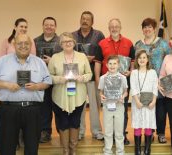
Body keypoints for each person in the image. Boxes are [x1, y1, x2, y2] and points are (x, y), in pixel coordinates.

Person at [0, 34, 51, 155]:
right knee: (6, 147)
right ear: (14, 45)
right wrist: (7, 85)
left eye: (26, 43)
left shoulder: (39, 62)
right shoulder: (3, 61)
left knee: (32, 148)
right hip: (8, 109)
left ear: (30, 45)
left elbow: (47, 82)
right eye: (20, 43)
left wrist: (37, 86)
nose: (23, 46)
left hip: (33, 110)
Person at [48, 32, 92, 155]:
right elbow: (48, 76)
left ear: (74, 43)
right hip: (60, 96)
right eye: (64, 41)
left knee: (75, 122)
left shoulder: (82, 56)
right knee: (63, 123)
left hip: (78, 95)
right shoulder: (55, 58)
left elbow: (89, 74)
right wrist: (58, 79)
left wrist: (82, 78)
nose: (67, 43)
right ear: (61, 44)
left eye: (70, 41)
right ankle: (65, 151)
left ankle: (73, 150)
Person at [95, 18, 135, 145]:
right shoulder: (101, 43)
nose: (114, 28)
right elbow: (97, 64)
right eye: (111, 26)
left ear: (120, 27)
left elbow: (133, 62)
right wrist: (97, 82)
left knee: (122, 109)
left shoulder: (128, 43)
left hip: (122, 83)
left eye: (116, 26)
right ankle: (109, 137)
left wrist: (131, 72)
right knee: (108, 111)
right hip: (107, 84)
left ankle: (122, 135)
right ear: (109, 28)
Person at [134, 18, 171, 143]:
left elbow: (169, 61)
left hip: (160, 82)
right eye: (145, 27)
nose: (147, 29)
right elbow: (135, 63)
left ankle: (161, 132)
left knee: (160, 109)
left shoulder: (163, 43)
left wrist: (165, 79)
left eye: (150, 27)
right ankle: (150, 132)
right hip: (143, 82)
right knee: (146, 108)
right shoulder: (138, 45)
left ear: (154, 29)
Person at [72, 11, 105, 140]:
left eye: (88, 19)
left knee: (95, 106)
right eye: (83, 18)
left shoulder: (99, 35)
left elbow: (102, 53)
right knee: (78, 105)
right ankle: (79, 131)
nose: (85, 21)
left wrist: (94, 58)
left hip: (93, 76)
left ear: (92, 22)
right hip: (77, 77)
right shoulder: (73, 35)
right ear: (80, 20)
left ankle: (96, 131)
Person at [34, 16, 62, 143]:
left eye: (52, 25)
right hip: (41, 79)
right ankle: (45, 131)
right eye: (47, 24)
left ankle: (62, 131)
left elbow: (65, 59)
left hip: (57, 78)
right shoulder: (35, 41)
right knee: (44, 107)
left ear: (55, 27)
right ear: (43, 26)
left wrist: (52, 61)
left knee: (59, 106)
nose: (49, 27)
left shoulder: (61, 41)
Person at [98, 55, 128, 155]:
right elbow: (101, 92)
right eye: (110, 63)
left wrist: (123, 96)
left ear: (118, 65)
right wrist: (101, 96)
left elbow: (125, 91)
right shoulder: (103, 78)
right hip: (107, 106)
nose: (112, 66)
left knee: (119, 131)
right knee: (108, 131)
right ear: (106, 65)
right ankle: (107, 151)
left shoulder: (123, 78)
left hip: (119, 106)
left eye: (114, 63)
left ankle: (120, 151)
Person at [130, 50, 158, 155]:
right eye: (140, 58)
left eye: (144, 58)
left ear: (147, 60)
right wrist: (137, 101)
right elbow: (133, 88)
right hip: (137, 102)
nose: (142, 60)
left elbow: (155, 87)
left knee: (148, 124)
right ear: (137, 60)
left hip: (150, 103)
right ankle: (137, 149)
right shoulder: (134, 72)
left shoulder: (152, 72)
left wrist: (154, 101)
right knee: (137, 124)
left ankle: (147, 149)